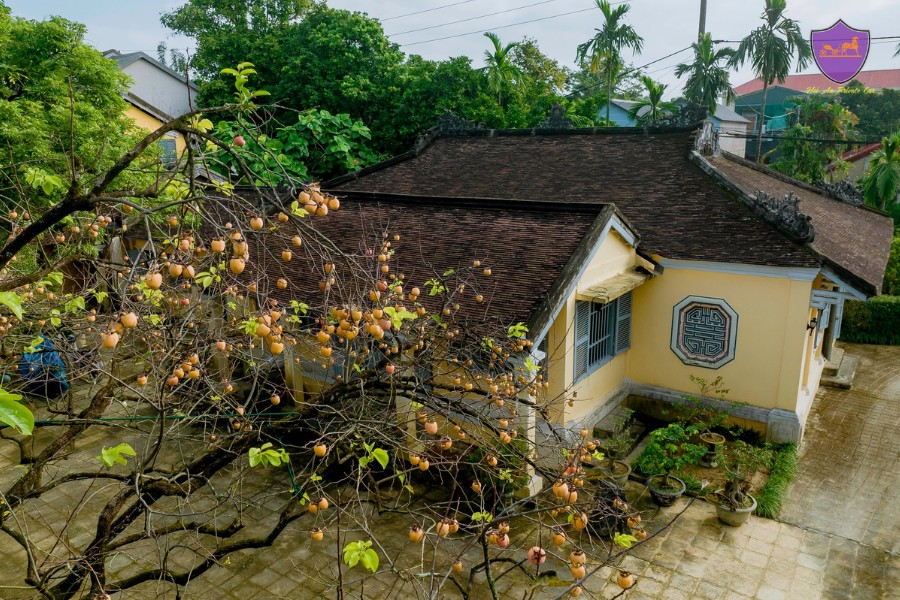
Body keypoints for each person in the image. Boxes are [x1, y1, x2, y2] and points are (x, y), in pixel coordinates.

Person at [17, 334, 69, 398]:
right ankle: (49, 388)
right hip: (39, 375)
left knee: (54, 369)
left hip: (48, 370)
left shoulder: (44, 344)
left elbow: (51, 354)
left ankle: (54, 386)